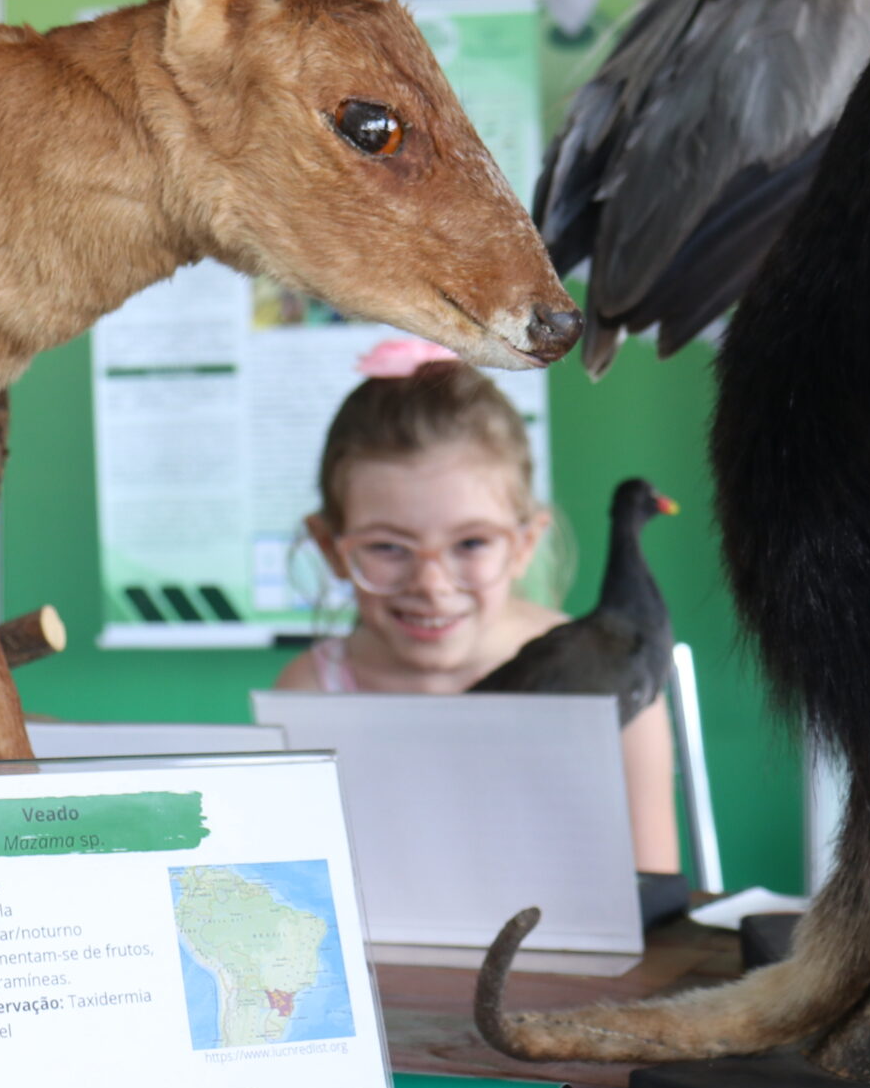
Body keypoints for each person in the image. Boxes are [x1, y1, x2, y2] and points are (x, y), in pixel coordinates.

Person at [272, 341, 682, 873]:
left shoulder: (616, 677)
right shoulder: (309, 693)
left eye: (470, 543)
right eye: (388, 547)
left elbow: (651, 883)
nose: (431, 585)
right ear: (330, 547)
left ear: (525, 544)